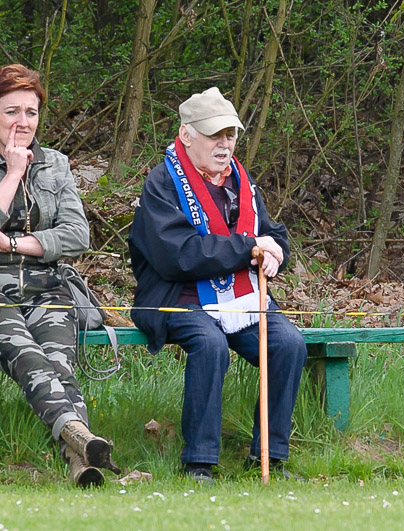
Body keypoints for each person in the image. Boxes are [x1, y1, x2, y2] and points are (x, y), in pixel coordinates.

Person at [0, 64, 119, 488]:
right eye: (12, 112)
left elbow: (77, 235)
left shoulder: (56, 164)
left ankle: (80, 462)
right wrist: (14, 172)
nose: (23, 122)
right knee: (28, 357)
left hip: (46, 288)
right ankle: (81, 440)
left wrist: (13, 243)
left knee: (60, 366)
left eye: (31, 112)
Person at [128, 87, 307, 484]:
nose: (224, 144)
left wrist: (276, 252)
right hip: (177, 298)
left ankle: (269, 458)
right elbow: (178, 255)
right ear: (186, 134)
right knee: (210, 346)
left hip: (241, 299)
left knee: (290, 344)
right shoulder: (162, 183)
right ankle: (199, 462)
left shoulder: (240, 180)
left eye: (230, 134)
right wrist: (249, 248)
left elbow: (270, 232)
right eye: (214, 135)